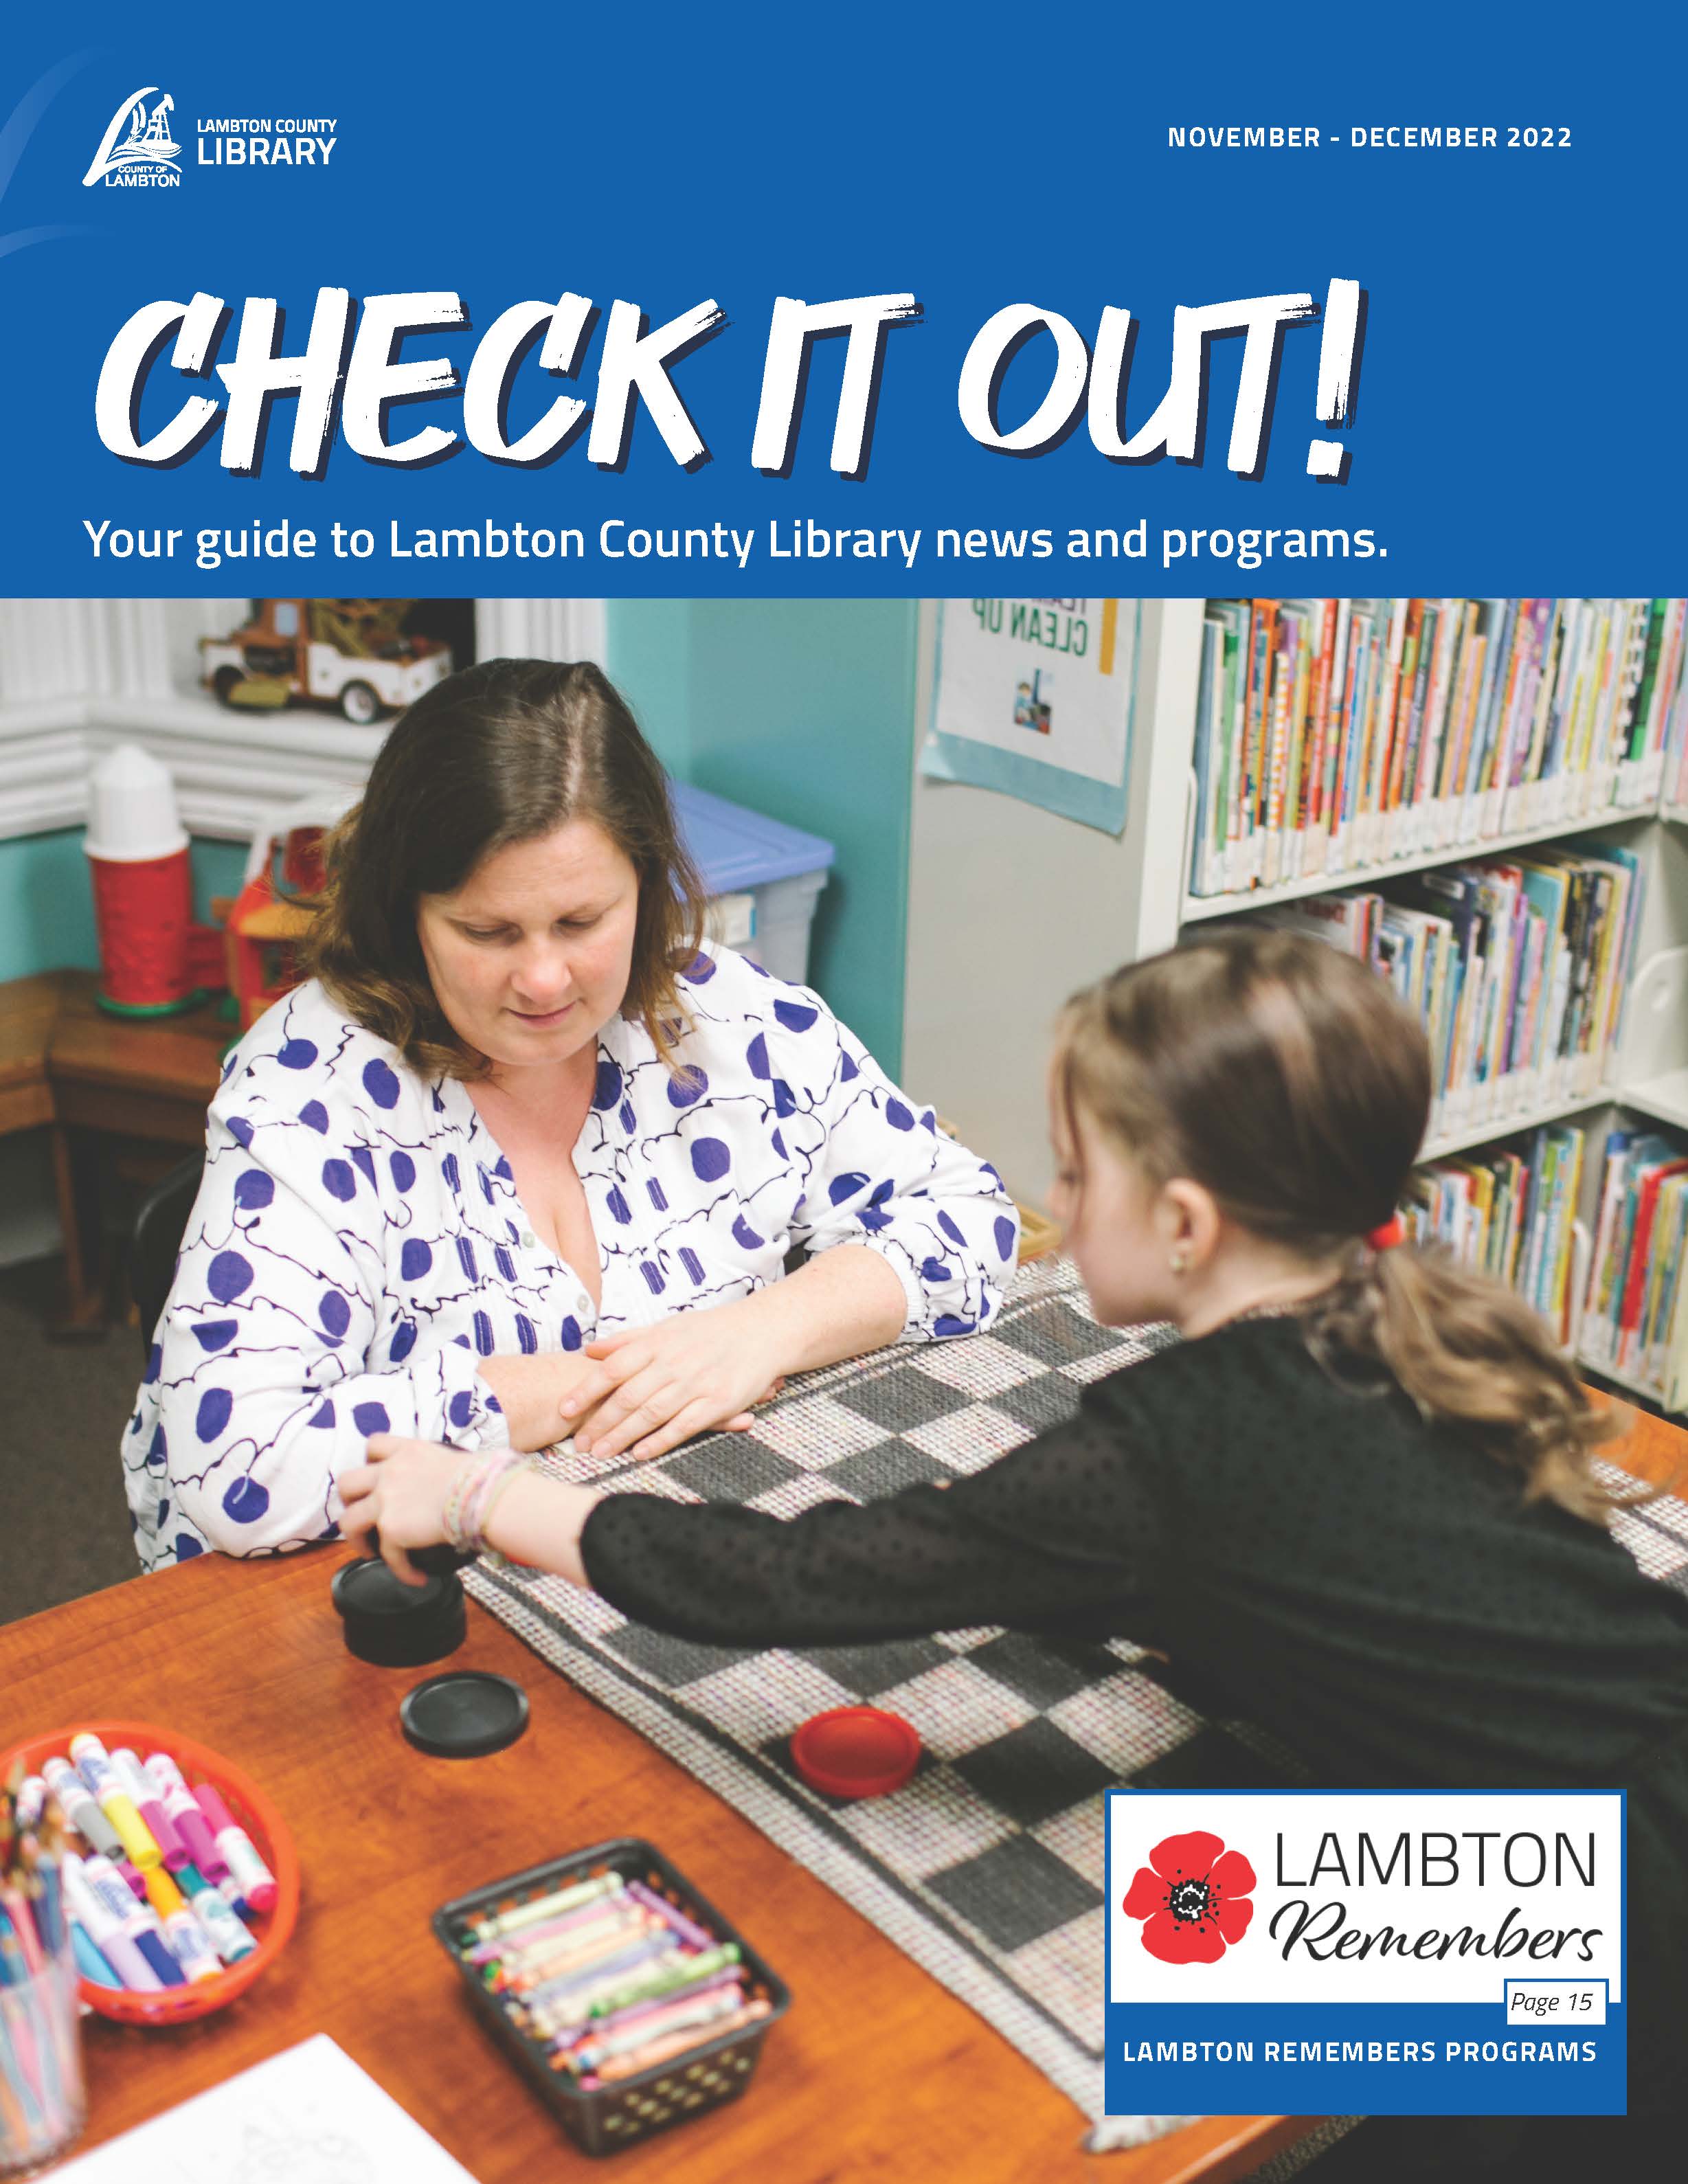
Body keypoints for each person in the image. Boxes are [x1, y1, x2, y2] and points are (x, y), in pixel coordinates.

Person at [343, 927, 1688, 2149]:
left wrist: (481, 1497)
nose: (1048, 1196)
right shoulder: (1393, 1302)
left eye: (1070, 1171)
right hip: (1644, 1765)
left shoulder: (1172, 1442)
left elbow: (783, 1579)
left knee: (1073, 2030)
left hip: (1596, 1922)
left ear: (1181, 1224)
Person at [122, 658, 1018, 1570]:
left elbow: (967, 1216)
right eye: (488, 933)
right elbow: (235, 1468)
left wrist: (755, 1332)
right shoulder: (310, 1087)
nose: (544, 979)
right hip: (371, 1585)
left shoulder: (725, 1016)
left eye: (583, 921)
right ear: (406, 913)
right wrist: (568, 1391)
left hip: (658, 1550)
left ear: (646, 884)